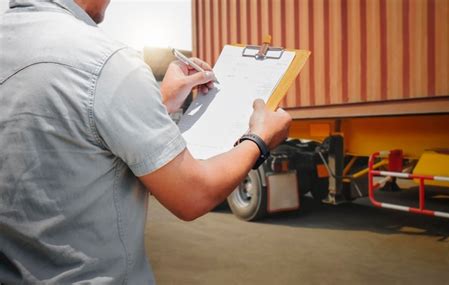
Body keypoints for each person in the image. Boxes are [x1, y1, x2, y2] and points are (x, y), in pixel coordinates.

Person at [0, 0, 291, 283]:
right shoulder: (106, 63)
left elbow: (71, 142)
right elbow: (193, 194)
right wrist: (259, 138)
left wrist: (160, 102)